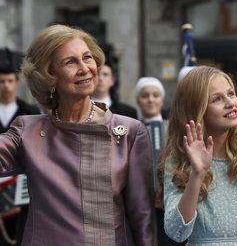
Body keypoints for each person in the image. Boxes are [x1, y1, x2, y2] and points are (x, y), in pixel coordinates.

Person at [0, 24, 155, 246]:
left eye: (87, 58)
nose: (85, 68)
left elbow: (143, 219)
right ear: (49, 76)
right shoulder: (28, 131)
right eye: (70, 62)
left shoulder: (129, 131)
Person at [158, 65, 237, 245]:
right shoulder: (178, 161)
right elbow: (177, 232)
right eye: (217, 99)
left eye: (231, 94)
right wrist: (197, 175)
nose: (230, 103)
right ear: (197, 110)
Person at [135, 77, 185, 246]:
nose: (150, 99)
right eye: (145, 95)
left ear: (162, 100)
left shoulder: (175, 128)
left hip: (170, 202)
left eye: (155, 95)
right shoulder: (131, 129)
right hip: (142, 203)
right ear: (137, 100)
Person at [0, 53, 41, 246]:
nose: (6, 86)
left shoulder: (30, 112)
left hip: (22, 187)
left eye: (9, 81)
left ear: (16, 83)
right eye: (1, 81)